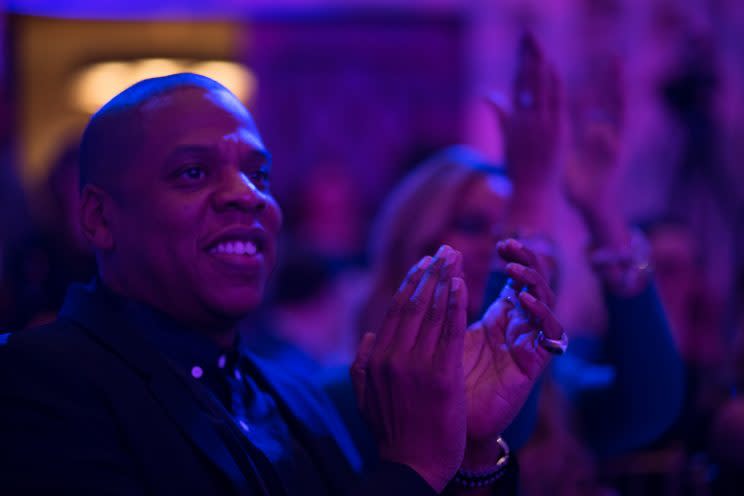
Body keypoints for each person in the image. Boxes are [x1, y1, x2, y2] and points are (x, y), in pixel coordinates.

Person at [0, 73, 560, 495]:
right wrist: (412, 468)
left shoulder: (293, 394)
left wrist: (472, 450)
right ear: (99, 218)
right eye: (193, 172)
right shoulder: (37, 380)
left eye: (259, 174)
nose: (246, 194)